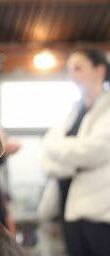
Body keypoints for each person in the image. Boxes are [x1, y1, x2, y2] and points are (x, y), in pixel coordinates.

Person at [40, 49, 110, 256]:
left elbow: (96, 149)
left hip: (100, 214)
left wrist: (61, 152)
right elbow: (46, 155)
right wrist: (76, 161)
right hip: (68, 210)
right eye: (70, 70)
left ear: (99, 70)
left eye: (78, 68)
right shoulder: (72, 112)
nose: (72, 75)